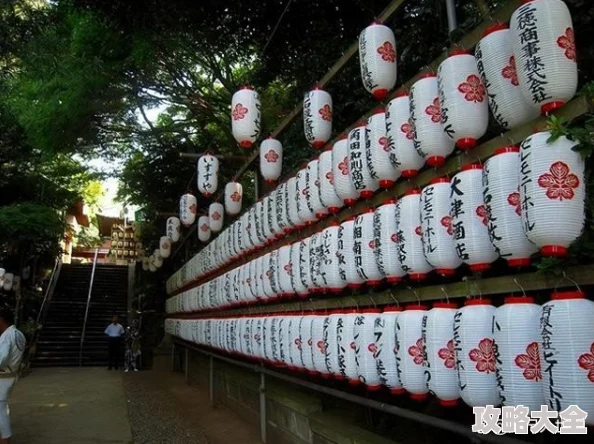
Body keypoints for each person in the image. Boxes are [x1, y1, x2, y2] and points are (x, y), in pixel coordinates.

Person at [0, 308, 26, 444]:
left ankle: (5, 439)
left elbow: (1, 359)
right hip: (10, 376)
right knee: (2, 409)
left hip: (3, 378)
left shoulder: (6, 337)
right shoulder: (18, 333)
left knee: (1, 411)